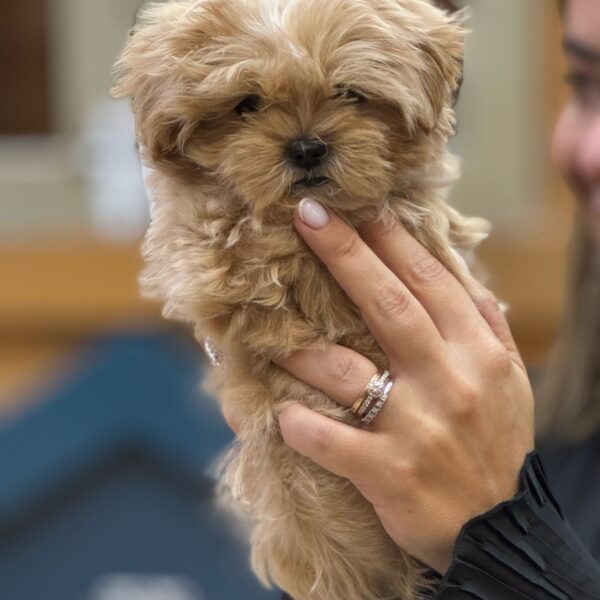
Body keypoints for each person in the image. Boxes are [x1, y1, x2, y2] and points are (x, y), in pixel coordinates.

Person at [222, 0, 600, 597]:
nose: (591, 150)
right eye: (584, 82)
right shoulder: (532, 421)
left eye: (353, 95)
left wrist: (501, 532)